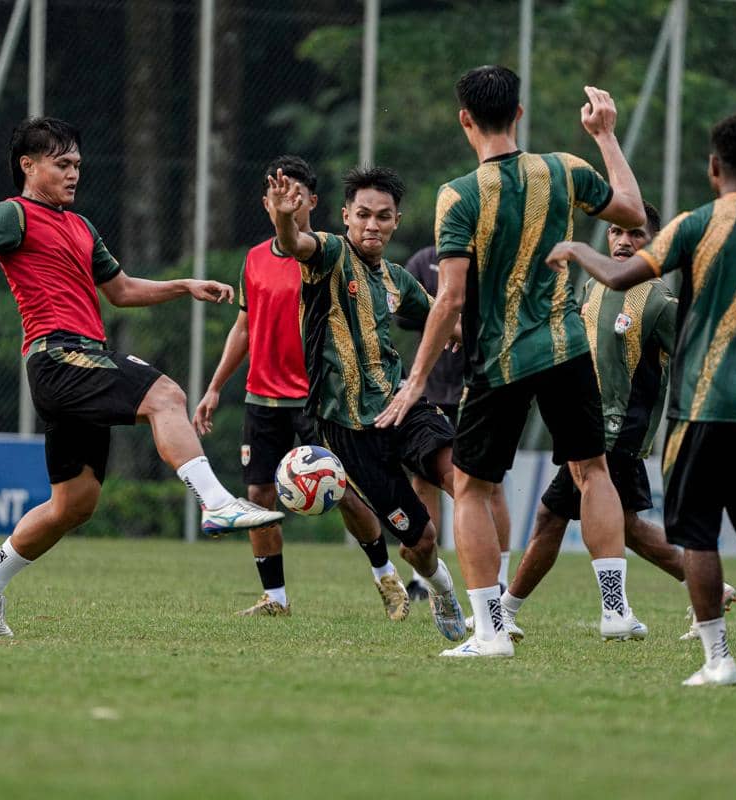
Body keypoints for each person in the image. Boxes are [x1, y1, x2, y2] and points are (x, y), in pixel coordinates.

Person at [0, 117, 282, 637]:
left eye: (77, 164)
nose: (74, 173)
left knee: (73, 505)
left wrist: (184, 285)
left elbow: (120, 290)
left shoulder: (81, 226)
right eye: (62, 164)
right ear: (28, 166)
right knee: (165, 394)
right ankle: (216, 504)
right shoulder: (13, 215)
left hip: (80, 363)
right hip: (58, 357)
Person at [546, 113, 736, 686]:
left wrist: (574, 249)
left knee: (697, 533)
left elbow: (620, 278)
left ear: (713, 168)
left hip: (699, 406)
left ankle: (718, 659)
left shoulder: (694, 225)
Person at [378, 66, 646, 658]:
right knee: (592, 470)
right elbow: (632, 212)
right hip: (567, 347)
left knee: (471, 487)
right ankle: (615, 611)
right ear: (519, 114)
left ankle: (491, 632)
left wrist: (414, 381)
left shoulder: (460, 193)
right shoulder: (565, 168)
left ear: (464, 119)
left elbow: (449, 298)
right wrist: (604, 136)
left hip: (501, 361)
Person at [500, 202, 736, 643]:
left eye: (637, 235)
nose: (624, 242)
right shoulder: (592, 288)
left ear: (656, 245)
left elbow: (699, 360)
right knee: (622, 527)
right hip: (587, 425)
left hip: (617, 433)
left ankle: (509, 610)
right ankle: (710, 588)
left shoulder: (662, 302)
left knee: (552, 515)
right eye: (616, 233)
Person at [193, 155, 406, 620]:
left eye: (295, 194)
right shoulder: (253, 258)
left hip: (316, 397)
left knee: (343, 491)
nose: (285, 201)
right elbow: (245, 328)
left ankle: (386, 576)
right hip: (261, 398)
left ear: (312, 200)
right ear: (266, 201)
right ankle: (276, 598)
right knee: (259, 498)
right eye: (276, 194)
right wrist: (213, 388)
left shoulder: (325, 255)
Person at [267, 164, 467, 643]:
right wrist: (283, 219)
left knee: (464, 479)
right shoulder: (331, 253)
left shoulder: (398, 279)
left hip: (403, 407)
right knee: (419, 542)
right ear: (346, 217)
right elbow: (298, 244)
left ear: (397, 220)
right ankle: (441, 589)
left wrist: (470, 338)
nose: (372, 225)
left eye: (383, 216)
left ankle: (493, 609)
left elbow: (441, 318)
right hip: (348, 430)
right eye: (363, 215)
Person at [396, 244, 512, 603]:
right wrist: (441, 314)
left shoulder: (495, 257)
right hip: (432, 385)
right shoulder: (421, 259)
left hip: (480, 383)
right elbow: (401, 313)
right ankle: (421, 577)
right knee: (424, 478)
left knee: (488, 481)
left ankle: (501, 578)